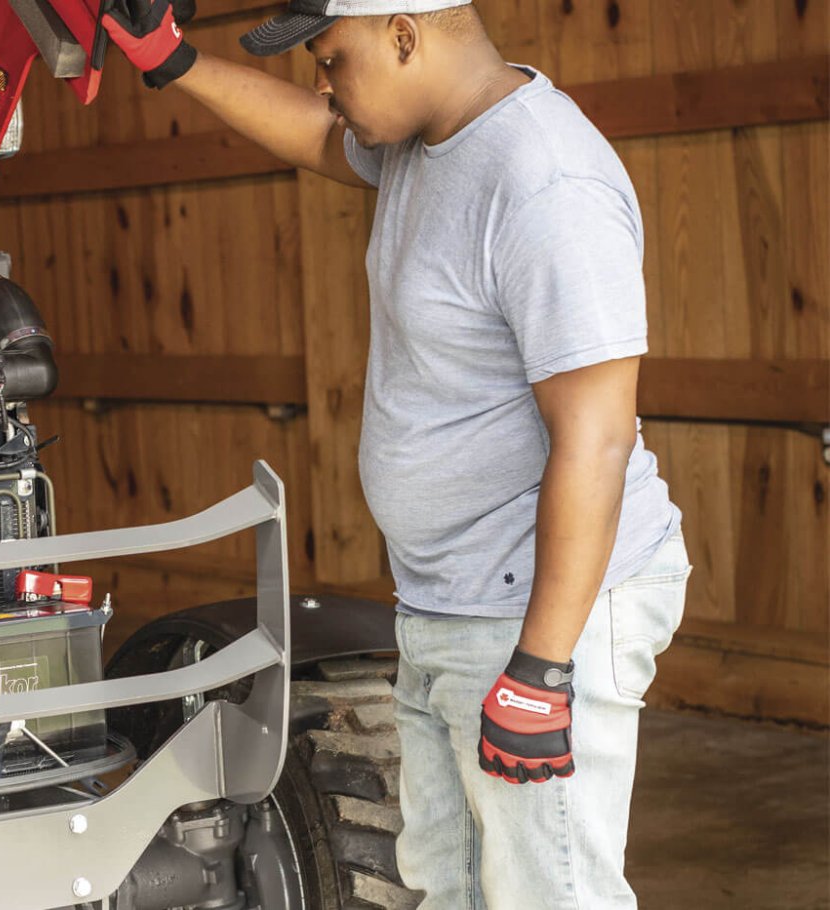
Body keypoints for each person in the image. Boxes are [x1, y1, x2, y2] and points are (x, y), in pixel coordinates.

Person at [101, 1, 691, 907]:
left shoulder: (546, 184)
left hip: (541, 612)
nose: (323, 85)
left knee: (548, 890)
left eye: (332, 59)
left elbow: (598, 435)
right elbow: (310, 134)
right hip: (449, 603)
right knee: (445, 884)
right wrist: (174, 62)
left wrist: (540, 672)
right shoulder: (429, 137)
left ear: (405, 35)